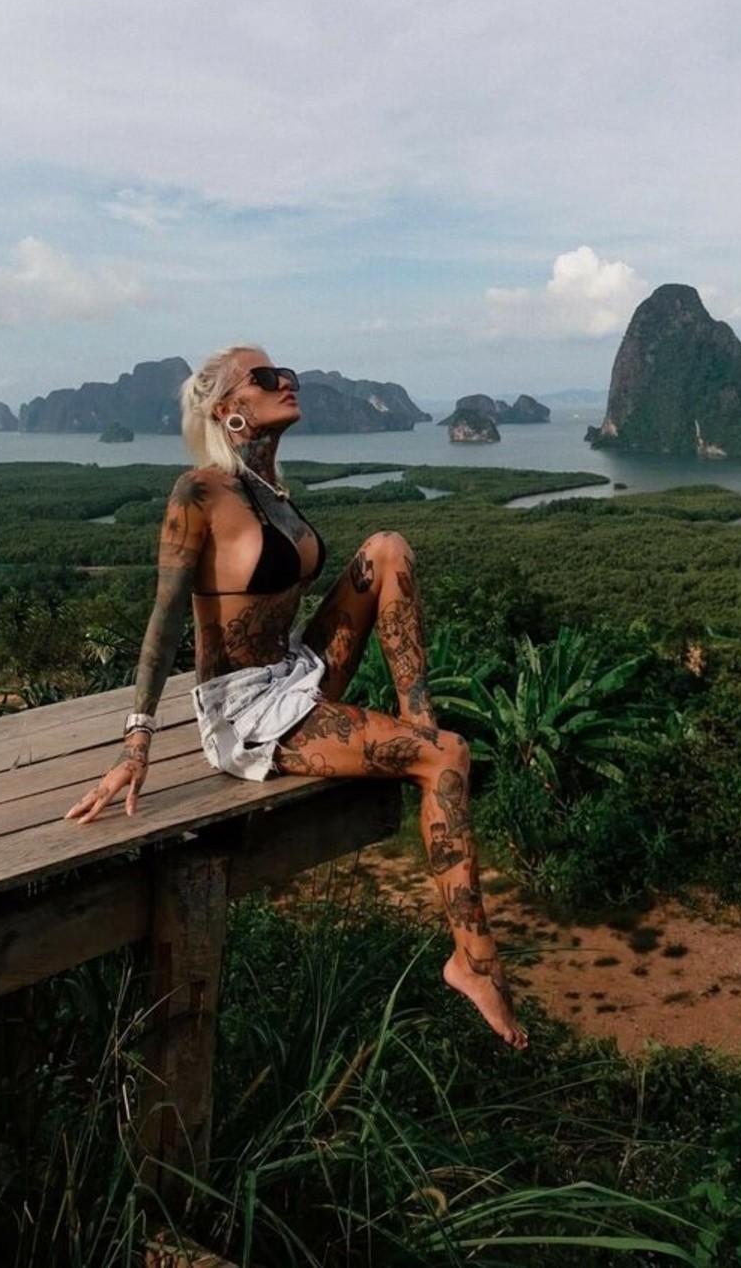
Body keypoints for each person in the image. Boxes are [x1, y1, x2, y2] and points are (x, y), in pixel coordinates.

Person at [65, 345, 527, 1049]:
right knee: (449, 756)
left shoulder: (269, 486)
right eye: (266, 378)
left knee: (389, 548)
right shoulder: (199, 493)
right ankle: (475, 962)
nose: (287, 382)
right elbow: (164, 620)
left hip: (293, 674)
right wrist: (137, 744)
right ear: (229, 408)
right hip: (246, 713)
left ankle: (419, 733)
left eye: (285, 373)